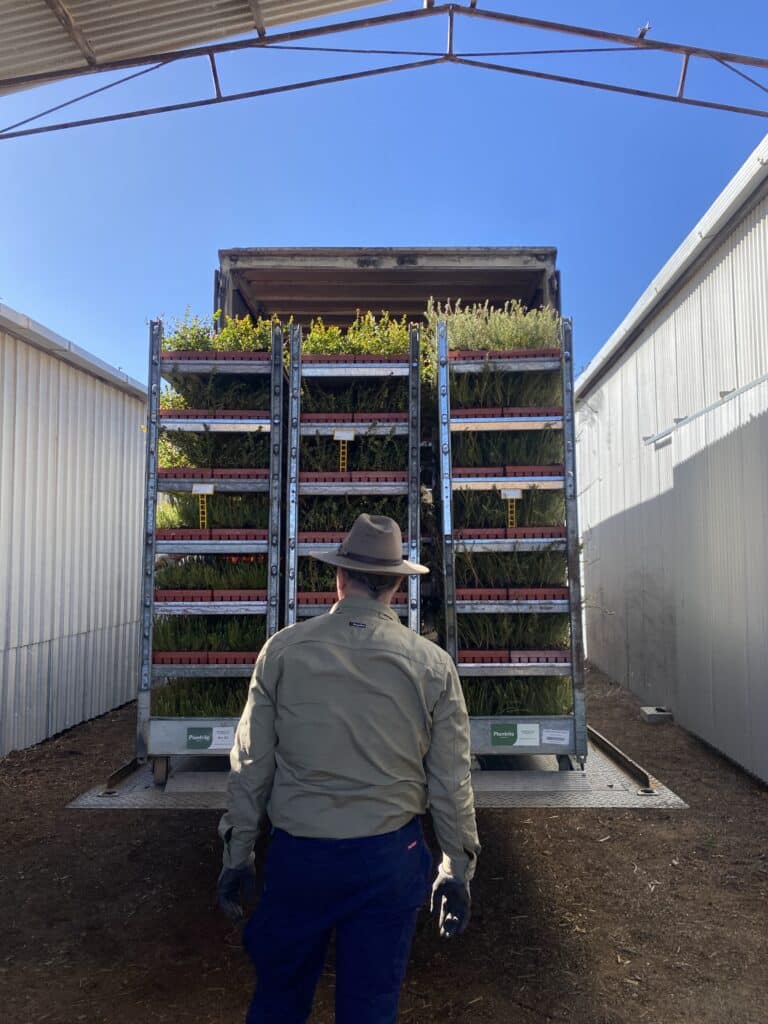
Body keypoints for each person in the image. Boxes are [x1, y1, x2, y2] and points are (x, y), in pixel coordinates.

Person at [217, 513, 480, 1024]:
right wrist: (457, 868)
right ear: (398, 586)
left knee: (278, 999)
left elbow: (251, 766)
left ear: (339, 577)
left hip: (300, 859)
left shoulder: (282, 652)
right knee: (370, 1009)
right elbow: (450, 782)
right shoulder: (433, 666)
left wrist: (238, 853)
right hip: (389, 857)